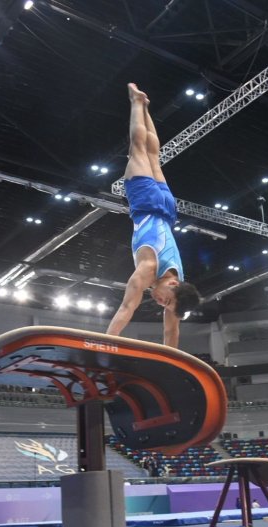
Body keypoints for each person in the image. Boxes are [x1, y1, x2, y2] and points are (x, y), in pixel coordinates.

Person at [106, 83, 200, 348]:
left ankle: (145, 106)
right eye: (166, 300)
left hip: (168, 209)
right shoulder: (148, 269)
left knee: (154, 155)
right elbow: (127, 307)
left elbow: (171, 334)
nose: (161, 303)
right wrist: (105, 343)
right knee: (137, 148)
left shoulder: (177, 286)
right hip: (146, 202)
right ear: (173, 284)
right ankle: (136, 102)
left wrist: (172, 363)